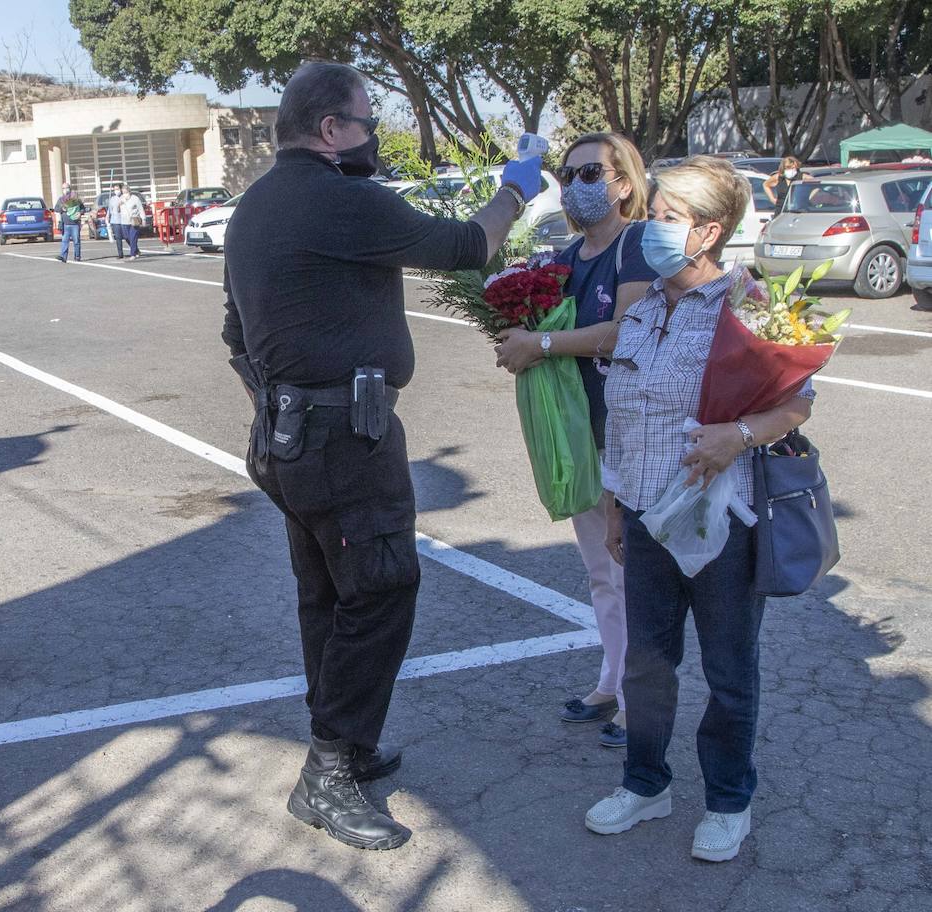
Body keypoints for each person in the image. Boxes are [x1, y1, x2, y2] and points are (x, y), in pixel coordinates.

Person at [221, 60, 542, 851]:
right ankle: (328, 770)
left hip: (287, 437)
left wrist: (280, 406)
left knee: (329, 595)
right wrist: (518, 187)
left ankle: (348, 745)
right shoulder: (340, 198)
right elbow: (469, 245)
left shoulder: (253, 207)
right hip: (342, 439)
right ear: (330, 130)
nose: (374, 138)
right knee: (382, 588)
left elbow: (235, 336)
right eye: (367, 123)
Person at [586, 156, 816, 862]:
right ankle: (645, 783)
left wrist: (737, 435)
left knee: (728, 670)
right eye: (652, 214)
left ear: (708, 231)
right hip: (650, 518)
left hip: (727, 522)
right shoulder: (646, 305)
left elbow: (797, 401)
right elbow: (620, 414)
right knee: (647, 666)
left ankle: (727, 801)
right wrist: (617, 506)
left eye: (664, 218)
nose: (649, 229)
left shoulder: (748, 304)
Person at [492, 132, 655, 749]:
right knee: (599, 570)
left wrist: (543, 344)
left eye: (592, 173)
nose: (577, 185)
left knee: (632, 570)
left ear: (624, 184)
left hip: (628, 434)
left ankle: (643, 700)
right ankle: (611, 681)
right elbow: (543, 327)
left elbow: (626, 333)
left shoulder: (638, 245)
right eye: (568, 174)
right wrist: (517, 336)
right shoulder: (562, 257)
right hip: (577, 429)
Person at [54, 182, 84, 263]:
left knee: (76, 241)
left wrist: (80, 213)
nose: (65, 190)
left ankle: (77, 256)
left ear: (70, 188)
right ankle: (63, 256)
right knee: (64, 241)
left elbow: (82, 208)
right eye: (63, 188)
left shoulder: (76, 199)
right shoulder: (61, 200)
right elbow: (56, 209)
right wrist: (61, 208)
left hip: (75, 224)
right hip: (65, 224)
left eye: (66, 188)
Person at [119, 186, 146, 260]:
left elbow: (140, 209)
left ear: (129, 192)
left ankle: (133, 254)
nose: (125, 194)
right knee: (126, 237)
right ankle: (136, 250)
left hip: (134, 220)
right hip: (124, 221)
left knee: (133, 237)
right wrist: (119, 204)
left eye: (126, 192)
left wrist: (143, 219)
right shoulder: (121, 198)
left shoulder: (135, 199)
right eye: (123, 192)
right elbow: (118, 210)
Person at [108, 183, 129, 259]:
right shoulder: (112, 199)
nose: (116, 191)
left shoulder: (124, 197)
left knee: (126, 237)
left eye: (117, 189)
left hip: (124, 220)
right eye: (115, 189)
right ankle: (120, 254)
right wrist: (108, 217)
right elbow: (110, 210)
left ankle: (135, 250)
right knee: (118, 238)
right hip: (115, 221)